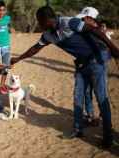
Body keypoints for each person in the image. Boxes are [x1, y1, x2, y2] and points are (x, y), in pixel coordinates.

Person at [11, 6, 119, 148]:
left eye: (39, 21)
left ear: (46, 20)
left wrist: (113, 48)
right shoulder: (48, 35)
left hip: (96, 58)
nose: (38, 24)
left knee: (101, 96)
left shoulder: (69, 23)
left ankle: (108, 137)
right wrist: (18, 59)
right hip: (81, 63)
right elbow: (35, 48)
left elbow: (94, 30)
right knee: (77, 96)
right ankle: (77, 129)